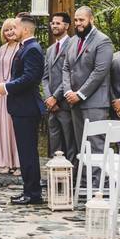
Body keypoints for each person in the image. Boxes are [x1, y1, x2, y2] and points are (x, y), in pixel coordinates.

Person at [0, 15, 46, 206]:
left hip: (27, 107)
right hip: (21, 107)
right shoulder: (26, 47)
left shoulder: (32, 49)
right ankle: (29, 191)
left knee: (28, 152)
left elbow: (30, 78)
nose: (12, 30)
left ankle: (33, 194)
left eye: (15, 26)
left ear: (25, 29)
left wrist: (6, 87)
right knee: (25, 152)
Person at [61, 6, 113, 187]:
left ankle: (99, 185)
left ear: (91, 20)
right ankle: (84, 182)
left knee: (96, 144)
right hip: (73, 101)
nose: (78, 23)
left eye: (81, 20)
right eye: (76, 20)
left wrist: (80, 94)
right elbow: (66, 67)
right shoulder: (73, 40)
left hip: (95, 103)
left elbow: (100, 71)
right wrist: (68, 92)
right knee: (80, 143)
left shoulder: (103, 41)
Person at [43, 12, 76, 163]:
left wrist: (56, 97)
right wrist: (48, 98)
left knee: (69, 142)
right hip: (52, 106)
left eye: (58, 23)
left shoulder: (73, 45)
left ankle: (71, 176)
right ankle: (55, 176)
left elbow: (70, 76)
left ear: (67, 26)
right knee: (54, 142)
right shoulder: (50, 50)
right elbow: (44, 77)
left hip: (65, 104)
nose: (54, 26)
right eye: (52, 23)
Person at [0, 18, 21, 174]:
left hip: (15, 90)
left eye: (12, 29)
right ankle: (5, 162)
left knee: (15, 127)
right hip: (2, 91)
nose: (9, 32)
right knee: (2, 126)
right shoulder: (2, 48)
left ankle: (18, 163)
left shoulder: (21, 47)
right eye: (6, 30)